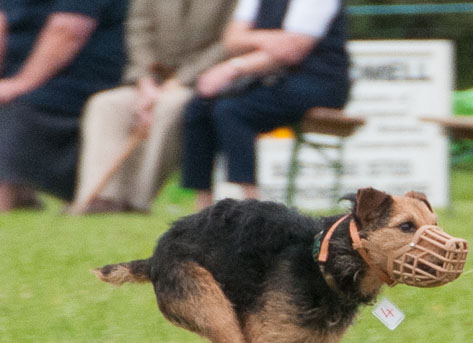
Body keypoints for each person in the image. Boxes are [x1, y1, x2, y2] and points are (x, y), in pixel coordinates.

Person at [179, 0, 351, 211]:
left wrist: (233, 66)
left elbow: (292, 50)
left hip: (320, 83)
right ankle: (203, 208)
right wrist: (272, 39)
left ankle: (253, 206)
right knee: (199, 106)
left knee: (232, 110)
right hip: (271, 78)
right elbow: (232, 40)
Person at [71, 0, 237, 214]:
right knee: (105, 105)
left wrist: (182, 79)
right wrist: (145, 80)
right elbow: (138, 31)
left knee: (171, 106)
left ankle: (137, 200)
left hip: (203, 81)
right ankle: (101, 198)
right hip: (151, 80)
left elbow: (228, 41)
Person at [0, 0, 127, 213]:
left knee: (18, 108)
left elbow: (68, 31)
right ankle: (21, 196)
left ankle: (7, 198)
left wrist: (19, 84)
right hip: (21, 77)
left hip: (79, 79)